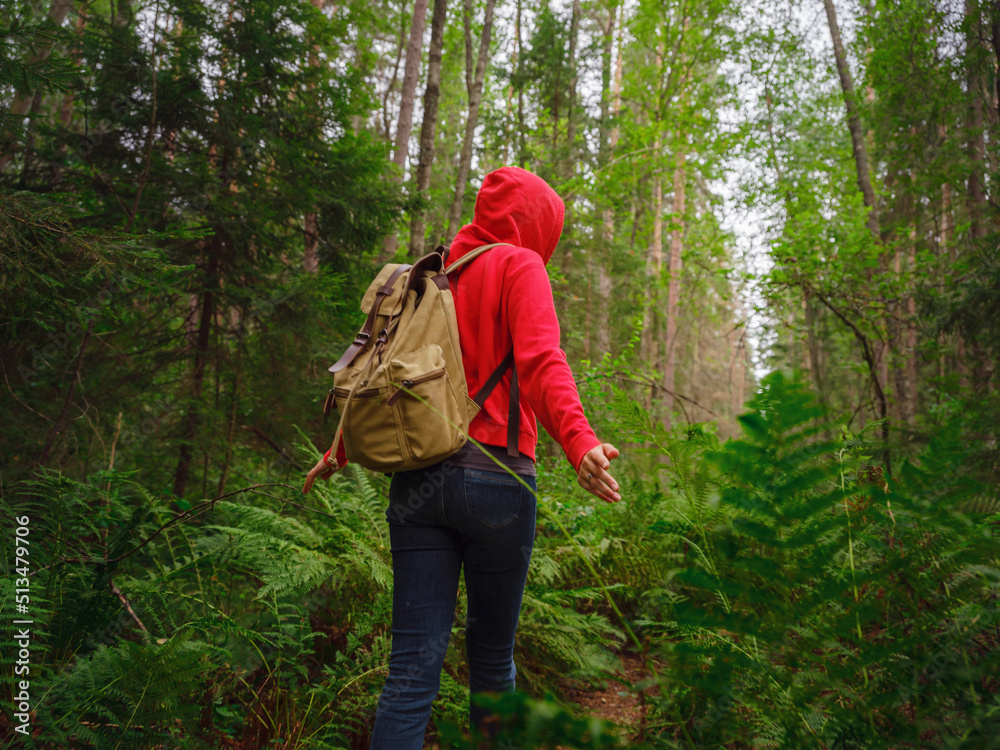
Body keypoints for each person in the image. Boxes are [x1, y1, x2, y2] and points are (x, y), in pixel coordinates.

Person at [302, 166, 620, 748]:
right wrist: (579, 442)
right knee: (494, 668)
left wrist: (339, 450)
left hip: (418, 481)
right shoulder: (519, 264)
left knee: (408, 675)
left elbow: (381, 372)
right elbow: (542, 360)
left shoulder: (431, 277)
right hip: (494, 479)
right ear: (537, 224)